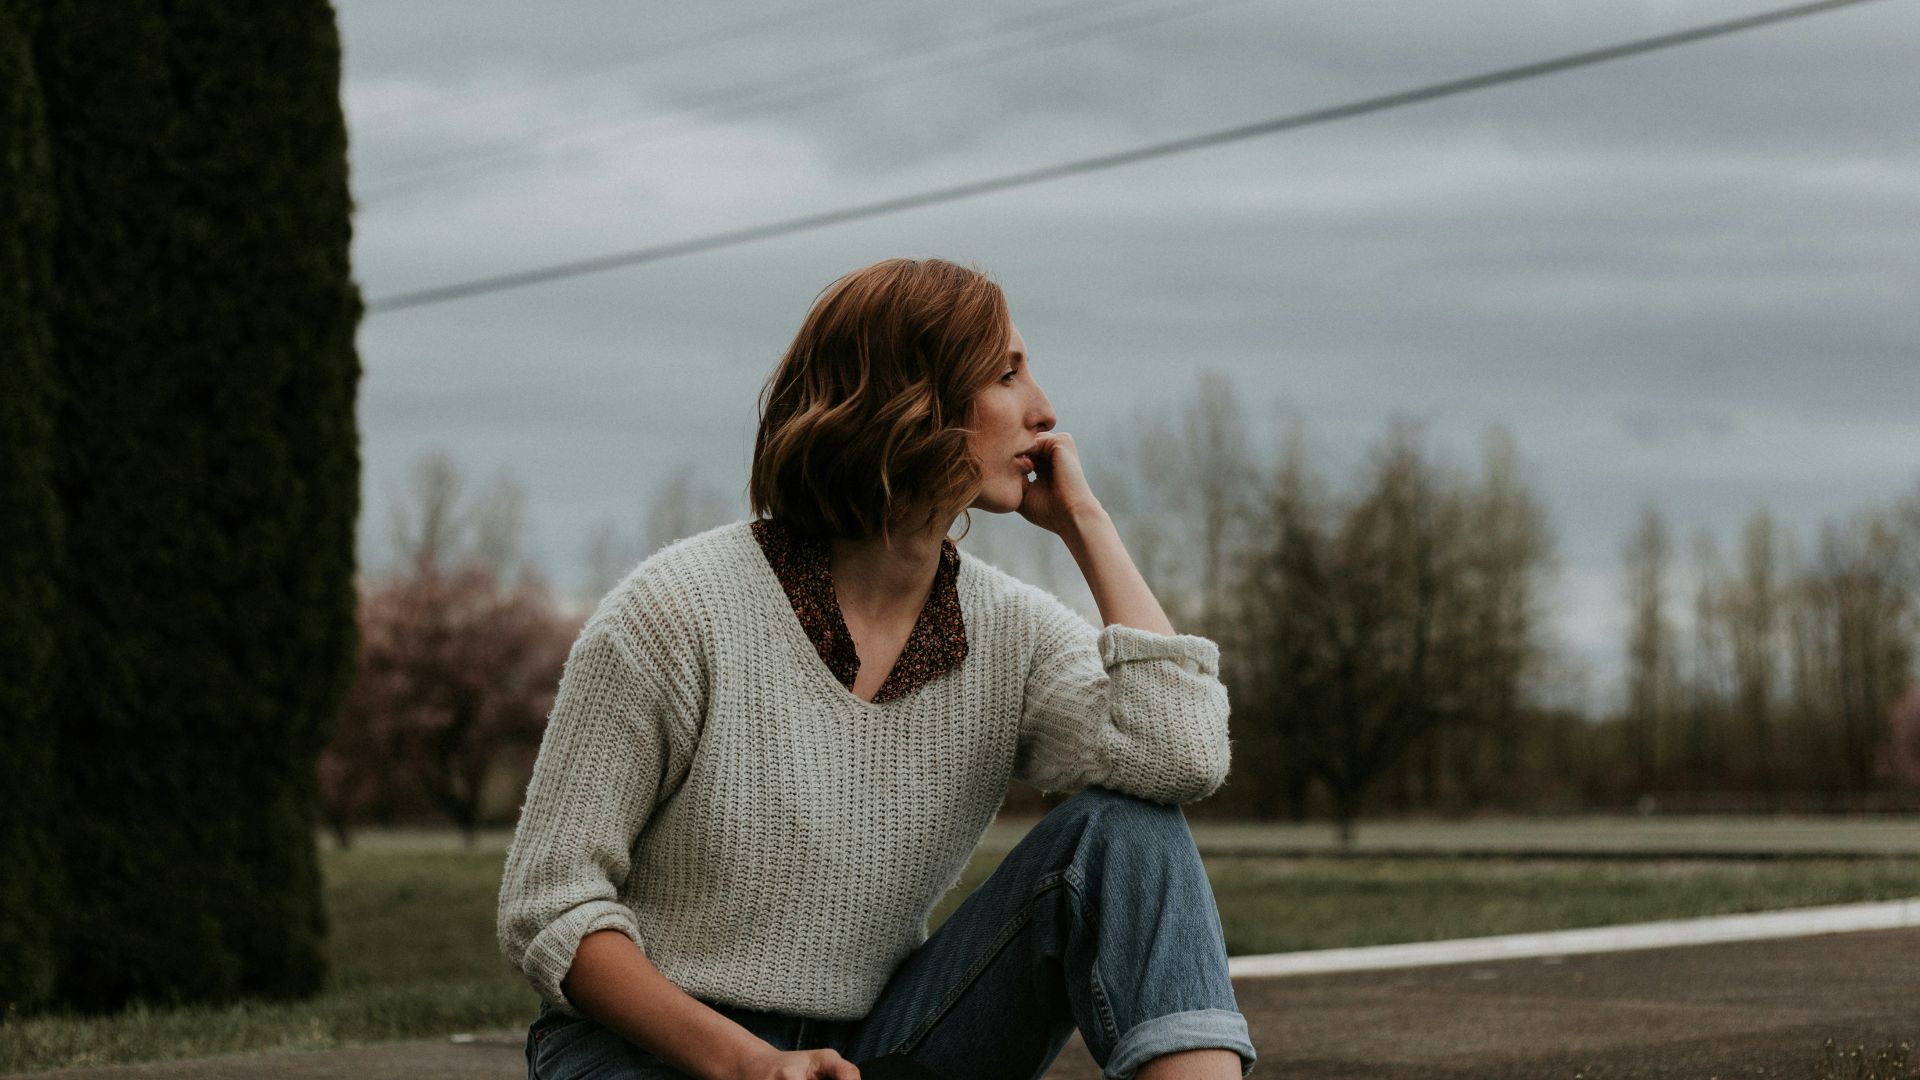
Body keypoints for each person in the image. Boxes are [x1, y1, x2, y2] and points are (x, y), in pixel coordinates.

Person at [498, 258, 1256, 1080]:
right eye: (1007, 374)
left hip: (874, 1047)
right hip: (648, 1053)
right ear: (910, 402)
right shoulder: (677, 611)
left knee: (1130, 832)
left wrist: (1086, 524)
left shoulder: (1012, 635)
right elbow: (549, 906)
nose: (1044, 411)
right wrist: (749, 1065)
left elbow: (1180, 756)